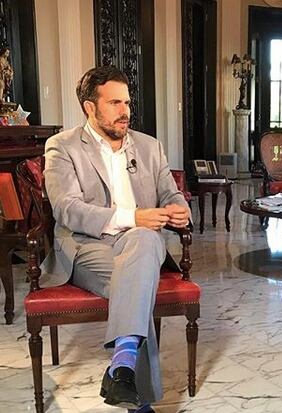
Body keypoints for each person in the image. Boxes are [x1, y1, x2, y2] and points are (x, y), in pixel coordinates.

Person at [42, 66, 191, 413]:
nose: (125, 111)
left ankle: (122, 370)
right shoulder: (62, 146)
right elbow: (66, 209)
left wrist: (180, 210)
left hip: (140, 243)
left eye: (127, 102)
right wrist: (133, 218)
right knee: (138, 283)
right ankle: (136, 394)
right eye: (114, 103)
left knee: (143, 248)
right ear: (89, 107)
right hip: (85, 246)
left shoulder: (149, 146)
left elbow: (171, 193)